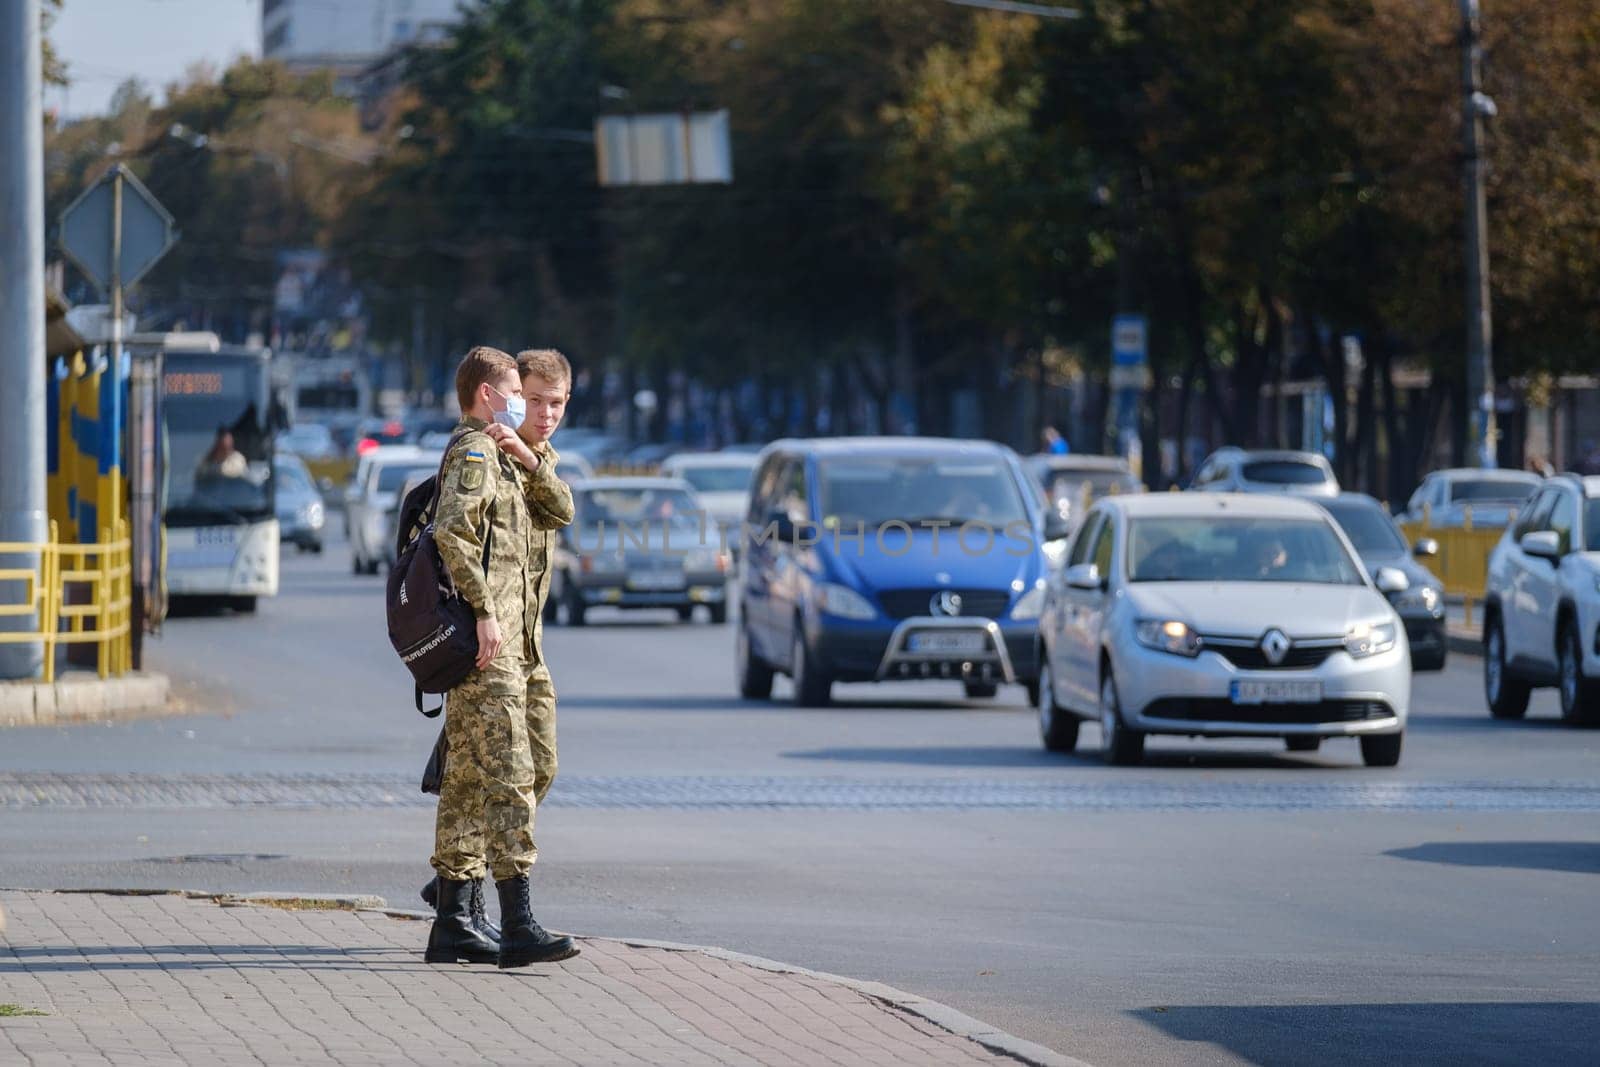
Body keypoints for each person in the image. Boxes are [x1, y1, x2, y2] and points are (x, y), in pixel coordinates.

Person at [425, 345, 577, 969]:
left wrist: (532, 458)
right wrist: (484, 612)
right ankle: (516, 923)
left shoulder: (515, 455)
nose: (535, 409)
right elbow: (451, 533)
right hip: (489, 646)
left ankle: (453, 911)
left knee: (483, 776)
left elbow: (561, 510)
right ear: (492, 394)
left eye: (549, 402)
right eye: (524, 394)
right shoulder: (476, 450)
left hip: (522, 644)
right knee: (508, 775)